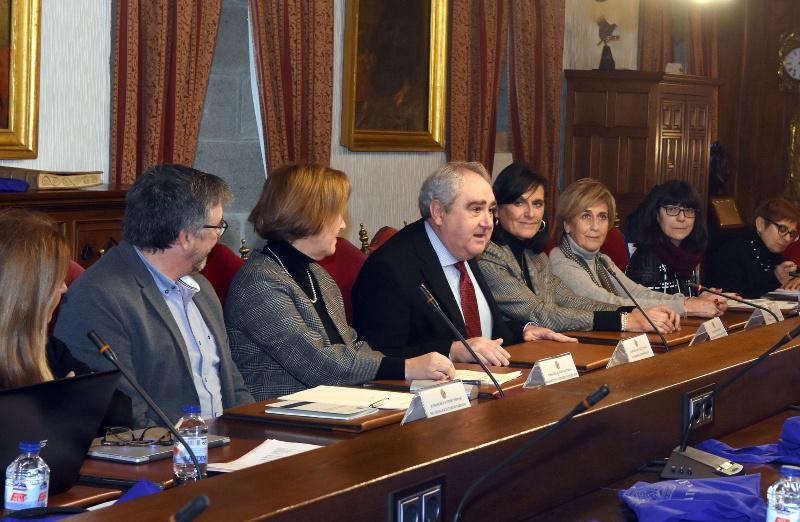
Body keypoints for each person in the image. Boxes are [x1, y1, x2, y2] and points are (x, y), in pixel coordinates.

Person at [225, 164, 455, 401]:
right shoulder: (259, 282)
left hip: (336, 407)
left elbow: (352, 347)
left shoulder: (318, 275)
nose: (343, 225)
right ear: (308, 214)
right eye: (337, 214)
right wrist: (405, 367)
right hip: (283, 418)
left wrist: (413, 369)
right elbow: (315, 363)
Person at [55, 164, 252, 427]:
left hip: (226, 449)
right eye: (217, 227)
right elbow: (125, 416)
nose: (218, 236)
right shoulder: (97, 298)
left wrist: (256, 437)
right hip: (166, 458)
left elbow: (233, 386)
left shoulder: (201, 290)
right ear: (185, 237)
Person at [353, 161, 554, 367]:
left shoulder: (465, 248)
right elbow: (376, 355)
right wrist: (451, 350)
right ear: (439, 212)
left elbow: (478, 334)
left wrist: (523, 330)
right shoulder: (390, 268)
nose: (487, 223)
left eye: (491, 210)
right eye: (476, 209)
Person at [479, 162, 679, 334]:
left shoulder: (536, 256)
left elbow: (571, 300)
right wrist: (624, 320)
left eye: (538, 204)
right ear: (496, 209)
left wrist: (630, 313)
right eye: (518, 203)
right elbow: (540, 312)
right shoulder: (488, 256)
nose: (530, 213)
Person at [549, 178, 722, 320]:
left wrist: (690, 300)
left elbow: (634, 292)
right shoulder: (561, 262)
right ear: (567, 224)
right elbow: (608, 302)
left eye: (602, 217)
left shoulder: (601, 259)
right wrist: (685, 307)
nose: (596, 226)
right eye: (586, 216)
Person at [0, 209, 90, 388]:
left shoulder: (51, 349)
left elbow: (117, 405)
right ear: (27, 292)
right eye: (57, 280)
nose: (65, 288)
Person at [626, 180, 711, 298]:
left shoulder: (690, 255)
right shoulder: (646, 259)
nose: (681, 218)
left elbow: (687, 296)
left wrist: (707, 298)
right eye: (672, 209)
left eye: (688, 210)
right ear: (656, 214)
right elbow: (644, 308)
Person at [706, 197, 800, 298]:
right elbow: (735, 295)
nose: (787, 238)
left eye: (792, 233)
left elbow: (790, 270)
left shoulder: (773, 253)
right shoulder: (731, 248)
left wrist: (797, 276)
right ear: (761, 224)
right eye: (782, 229)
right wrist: (775, 279)